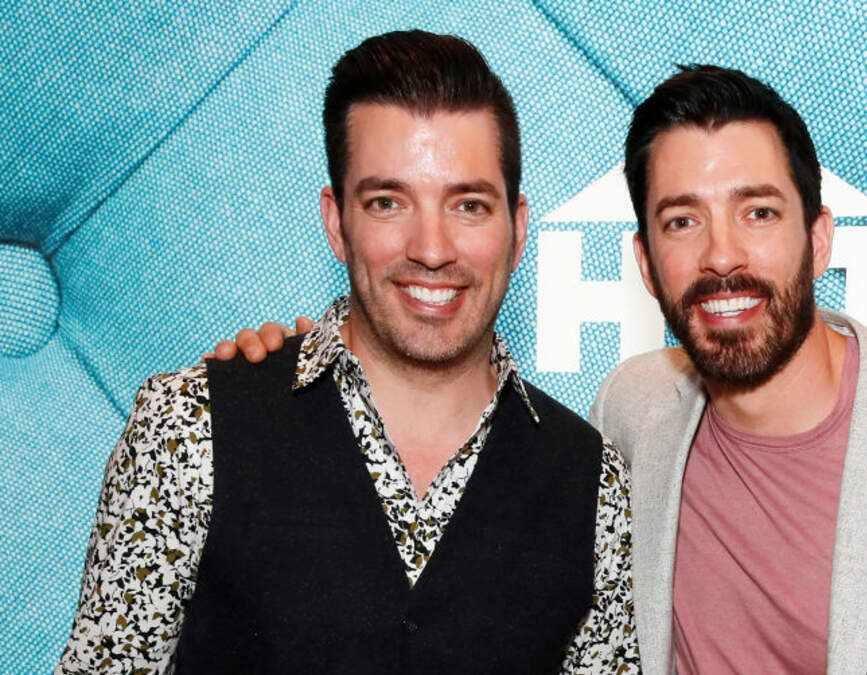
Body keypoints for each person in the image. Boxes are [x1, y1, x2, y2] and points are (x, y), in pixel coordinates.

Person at [224, 66, 867, 673]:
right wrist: (295, 363)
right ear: (643, 260)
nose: (721, 255)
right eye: (681, 220)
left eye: (759, 213)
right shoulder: (630, 415)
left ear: (821, 237)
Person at [57, 31, 638, 675]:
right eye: (388, 202)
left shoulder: (594, 483)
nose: (432, 249)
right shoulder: (190, 425)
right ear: (337, 223)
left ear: (517, 228)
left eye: (469, 205)